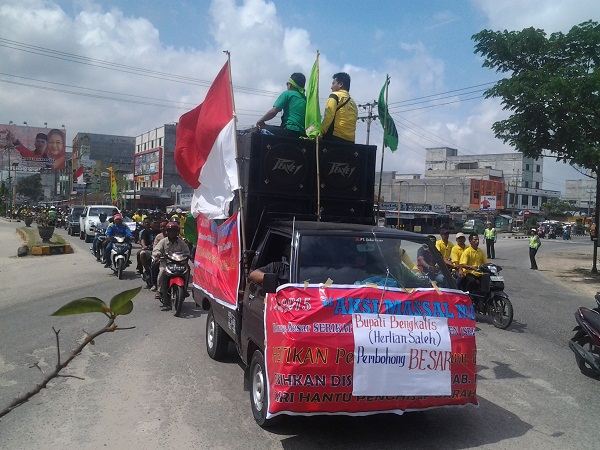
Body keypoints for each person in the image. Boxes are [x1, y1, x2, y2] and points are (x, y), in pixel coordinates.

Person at [152, 221, 190, 309]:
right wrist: (158, 254)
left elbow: (187, 252)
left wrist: (187, 256)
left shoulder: (181, 242)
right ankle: (160, 290)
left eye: (173, 231)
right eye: (170, 231)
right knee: (162, 272)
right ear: (167, 232)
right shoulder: (163, 241)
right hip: (166, 263)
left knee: (187, 270)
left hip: (179, 263)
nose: (172, 233)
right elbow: (156, 250)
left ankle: (184, 289)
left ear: (177, 232)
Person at [256, 73, 307, 138]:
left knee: (260, 130)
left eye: (287, 84)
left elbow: (274, 111)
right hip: (302, 134)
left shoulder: (287, 94)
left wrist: (261, 120)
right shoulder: (305, 99)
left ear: (290, 85)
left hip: (289, 130)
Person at [321, 72, 358, 143]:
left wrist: (321, 132)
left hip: (334, 137)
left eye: (333, 83)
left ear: (341, 84)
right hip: (350, 141)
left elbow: (329, 116)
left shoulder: (334, 96)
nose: (331, 87)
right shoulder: (353, 103)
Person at [149, 220, 169, 291]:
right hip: (162, 258)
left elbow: (185, 250)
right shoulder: (159, 237)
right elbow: (155, 248)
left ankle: (184, 288)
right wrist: (158, 255)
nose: (163, 228)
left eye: (165, 226)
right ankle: (155, 285)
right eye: (161, 227)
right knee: (155, 266)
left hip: (174, 258)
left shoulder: (177, 237)